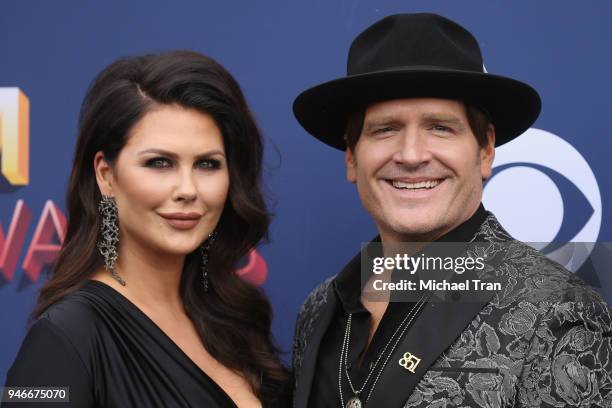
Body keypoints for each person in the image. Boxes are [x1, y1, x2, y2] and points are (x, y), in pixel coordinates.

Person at [291, 13, 612, 408]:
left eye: (440, 128)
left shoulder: (559, 310)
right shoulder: (319, 309)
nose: (411, 155)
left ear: (485, 150)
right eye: (385, 129)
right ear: (352, 157)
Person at [4, 51, 289, 407]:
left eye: (207, 164)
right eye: (159, 163)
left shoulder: (233, 320)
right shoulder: (67, 336)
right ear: (106, 176)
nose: (188, 189)